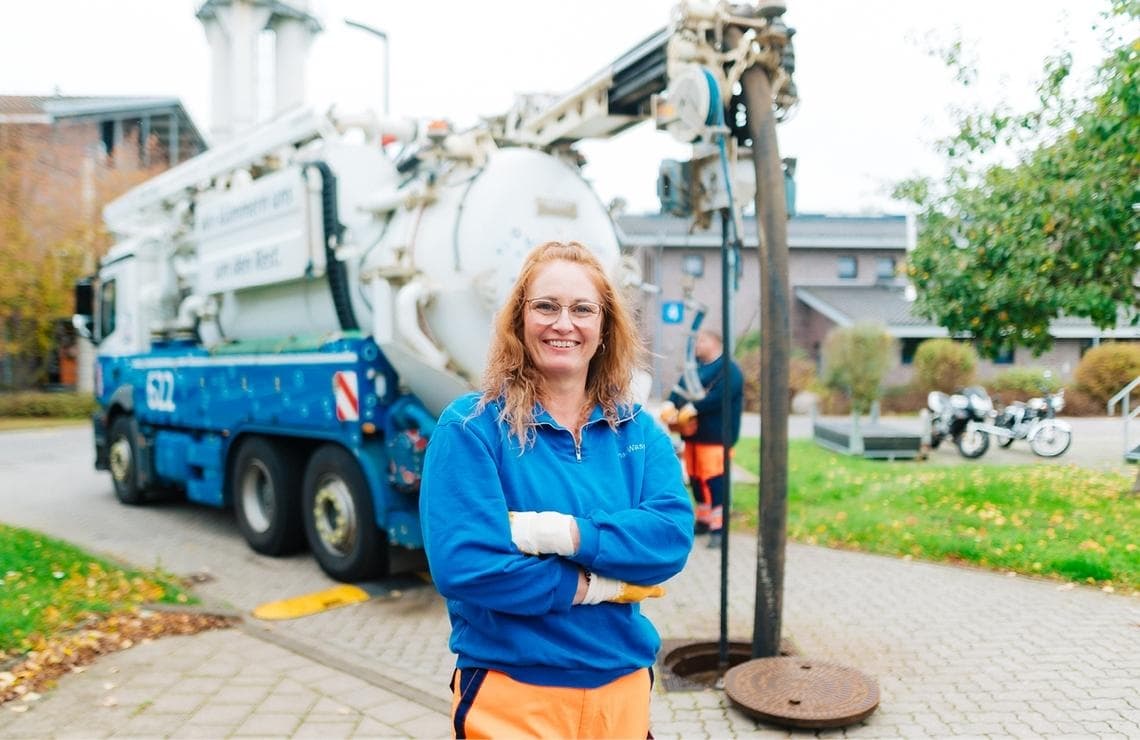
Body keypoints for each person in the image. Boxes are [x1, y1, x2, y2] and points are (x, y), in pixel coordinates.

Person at [420, 240, 694, 739]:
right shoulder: (472, 427)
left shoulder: (638, 431)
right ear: (518, 319)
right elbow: (467, 565)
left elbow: (669, 539)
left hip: (624, 692)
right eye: (545, 306)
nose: (563, 324)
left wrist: (561, 534)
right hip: (514, 694)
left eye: (582, 309)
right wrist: (592, 587)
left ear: (605, 328)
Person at [659, 329, 744, 549]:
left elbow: (719, 397)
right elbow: (680, 389)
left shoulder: (730, 370)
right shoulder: (694, 368)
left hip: (717, 437)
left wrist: (693, 406)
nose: (696, 344)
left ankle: (719, 527)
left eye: (702, 340)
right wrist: (671, 403)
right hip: (693, 436)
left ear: (716, 342)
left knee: (715, 480)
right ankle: (704, 520)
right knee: (696, 479)